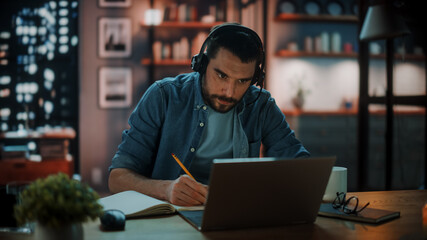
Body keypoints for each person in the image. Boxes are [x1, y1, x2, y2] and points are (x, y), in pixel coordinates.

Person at [108, 23, 310, 206]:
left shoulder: (261, 104)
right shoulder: (163, 96)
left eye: (242, 81)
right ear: (201, 65)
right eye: (222, 75)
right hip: (171, 214)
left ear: (256, 78)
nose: (229, 92)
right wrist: (166, 189)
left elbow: (299, 165)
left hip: (236, 212)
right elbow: (117, 177)